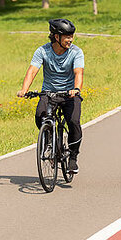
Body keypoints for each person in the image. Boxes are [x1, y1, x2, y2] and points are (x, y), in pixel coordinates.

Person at [17, 18, 84, 173]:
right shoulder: (42, 51)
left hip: (69, 94)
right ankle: (48, 140)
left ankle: (73, 157)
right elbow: (33, 70)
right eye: (67, 36)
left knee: (73, 122)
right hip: (49, 92)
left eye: (71, 36)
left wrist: (76, 89)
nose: (70, 40)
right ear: (56, 37)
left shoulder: (76, 52)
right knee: (40, 115)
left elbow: (78, 72)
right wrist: (24, 89)